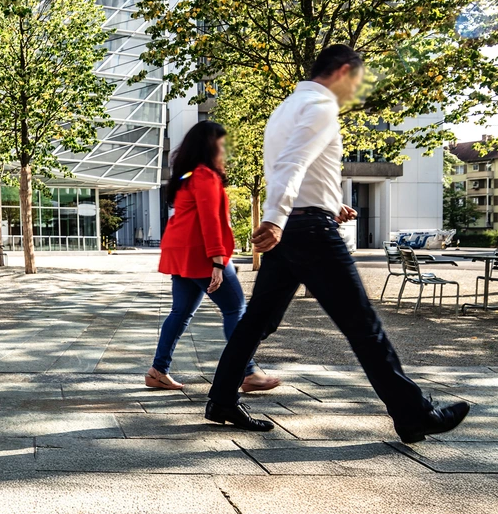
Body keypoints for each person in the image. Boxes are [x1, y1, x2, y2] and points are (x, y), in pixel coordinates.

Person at [205, 44, 470, 443]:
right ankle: (414, 414)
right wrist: (275, 219)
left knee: (256, 321)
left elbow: (298, 170)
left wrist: (329, 205)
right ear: (344, 71)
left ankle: (222, 399)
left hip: (299, 225)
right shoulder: (322, 105)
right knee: (364, 326)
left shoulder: (285, 109)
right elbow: (291, 164)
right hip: (309, 232)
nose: (356, 92)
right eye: (357, 83)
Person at [145, 120, 280, 393]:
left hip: (181, 254)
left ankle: (158, 370)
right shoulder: (205, 175)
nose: (225, 150)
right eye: (222, 144)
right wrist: (218, 261)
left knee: (180, 312)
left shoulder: (185, 175)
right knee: (235, 309)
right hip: (201, 255)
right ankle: (249, 371)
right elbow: (210, 221)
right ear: (211, 145)